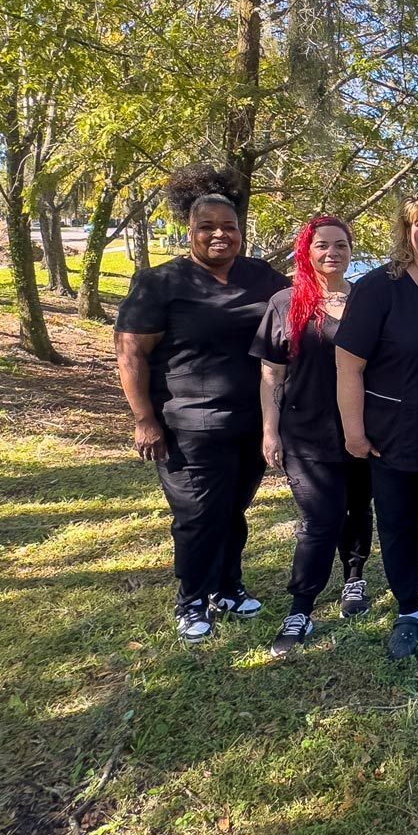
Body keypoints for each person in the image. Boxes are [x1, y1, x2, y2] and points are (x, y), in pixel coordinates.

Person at [115, 165, 286, 642]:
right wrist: (144, 419)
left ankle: (227, 587)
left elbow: (305, 309)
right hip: (186, 425)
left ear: (241, 231)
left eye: (229, 227)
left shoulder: (261, 278)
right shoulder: (161, 283)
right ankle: (191, 599)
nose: (219, 235)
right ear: (189, 231)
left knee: (233, 510)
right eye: (207, 227)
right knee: (197, 515)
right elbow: (130, 354)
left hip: (251, 423)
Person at [336, 190, 418, 660]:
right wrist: (353, 429)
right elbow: (348, 364)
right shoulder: (380, 287)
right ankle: (408, 613)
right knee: (396, 524)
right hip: (388, 434)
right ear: (406, 233)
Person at [252, 215, 376, 656]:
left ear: (350, 250)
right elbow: (271, 375)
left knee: (358, 507)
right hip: (306, 432)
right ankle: (301, 606)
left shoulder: (367, 299)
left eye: (340, 245)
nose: (332, 253)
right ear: (306, 250)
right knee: (320, 520)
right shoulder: (286, 303)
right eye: (322, 245)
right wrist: (270, 431)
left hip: (362, 429)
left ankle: (355, 578)